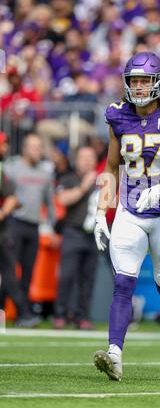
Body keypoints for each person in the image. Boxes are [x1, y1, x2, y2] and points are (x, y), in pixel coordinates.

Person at [93, 51, 160, 381]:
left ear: (159, 82)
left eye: (144, 80)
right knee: (124, 280)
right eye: (133, 80)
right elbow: (111, 166)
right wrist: (100, 211)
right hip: (130, 209)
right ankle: (114, 354)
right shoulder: (117, 115)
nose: (138, 87)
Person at [4, 133, 56, 316]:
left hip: (33, 226)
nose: (38, 151)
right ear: (24, 149)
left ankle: (22, 314)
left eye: (40, 147)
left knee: (28, 273)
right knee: (9, 270)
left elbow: (50, 203)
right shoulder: (12, 168)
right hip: (14, 224)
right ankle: (8, 310)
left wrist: (53, 228)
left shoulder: (45, 173)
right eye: (34, 147)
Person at [54, 146, 99, 330]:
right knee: (67, 276)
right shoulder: (69, 178)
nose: (87, 161)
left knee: (88, 279)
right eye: (83, 157)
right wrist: (83, 187)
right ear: (77, 160)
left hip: (93, 234)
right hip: (73, 232)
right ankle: (61, 314)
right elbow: (63, 200)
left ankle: (83, 317)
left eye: (91, 157)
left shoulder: (103, 180)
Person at [0, 132, 40, 327]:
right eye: (3, 145)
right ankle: (23, 313)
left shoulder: (3, 169)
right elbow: (13, 199)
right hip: (7, 228)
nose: (6, 148)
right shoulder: (6, 168)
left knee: (9, 272)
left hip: (8, 228)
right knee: (8, 272)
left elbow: (13, 198)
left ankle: (20, 313)